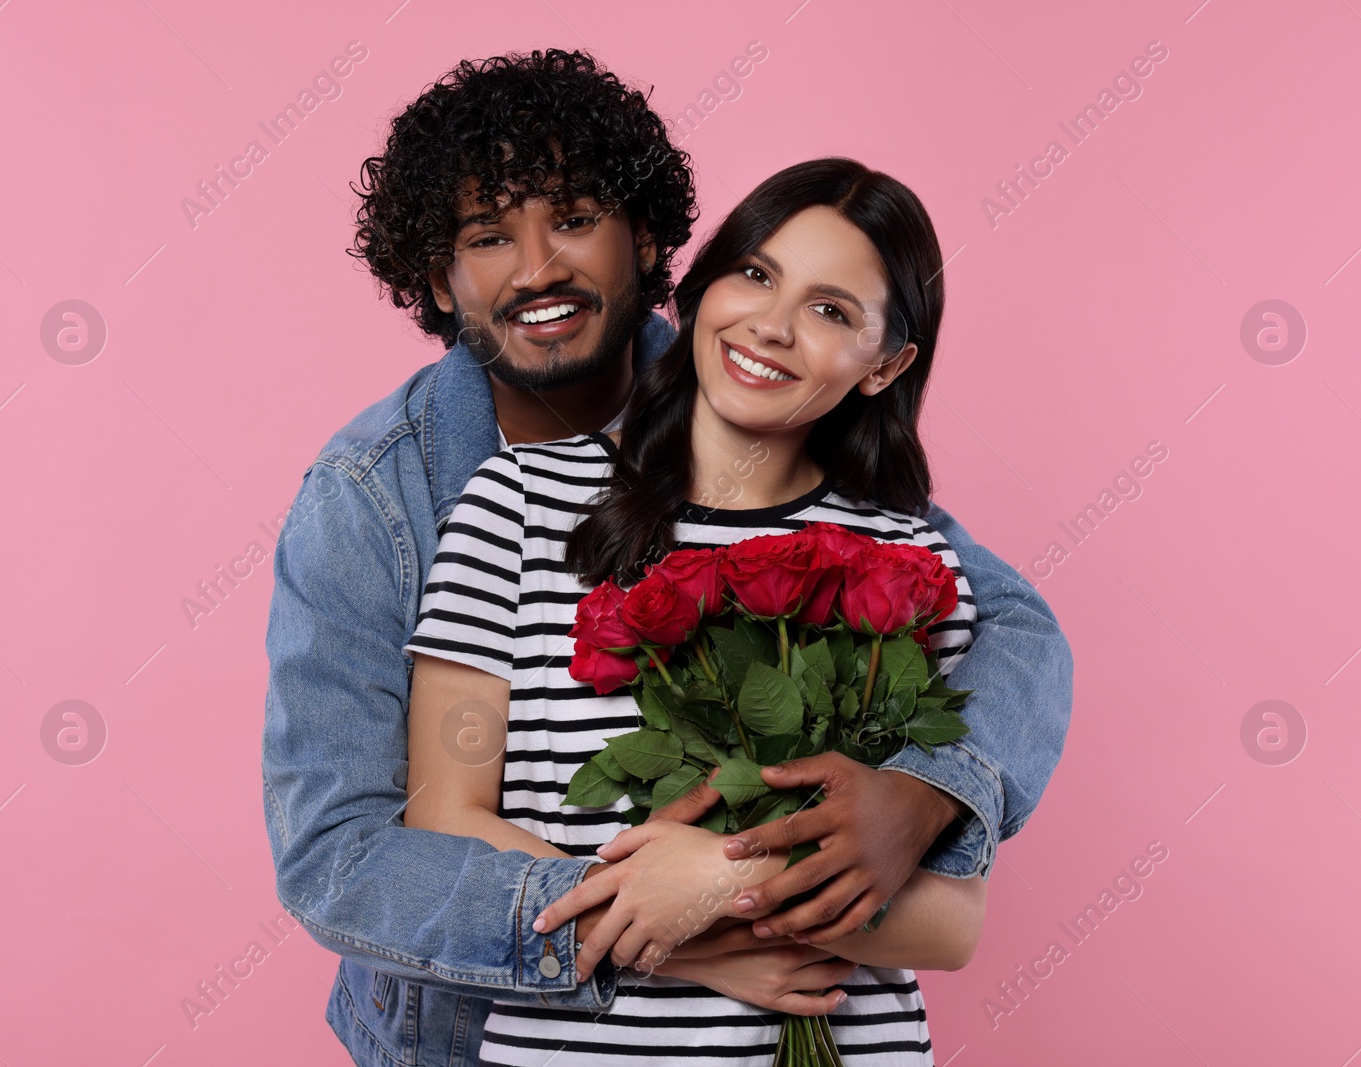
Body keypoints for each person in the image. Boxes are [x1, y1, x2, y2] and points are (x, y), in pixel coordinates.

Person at [261, 49, 1073, 1067]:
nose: (536, 268)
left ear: (647, 238)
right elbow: (344, 855)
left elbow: (1010, 622)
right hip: (475, 1029)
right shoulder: (382, 497)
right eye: (485, 238)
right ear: (438, 276)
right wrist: (679, 927)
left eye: (572, 218)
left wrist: (929, 790)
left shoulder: (769, 406)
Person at [403, 156, 992, 1066]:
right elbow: (445, 824)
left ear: (886, 365)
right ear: (699, 286)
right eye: (755, 275)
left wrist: (724, 879)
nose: (772, 325)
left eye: (831, 310)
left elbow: (951, 921)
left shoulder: (911, 565)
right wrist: (693, 946)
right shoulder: (518, 502)